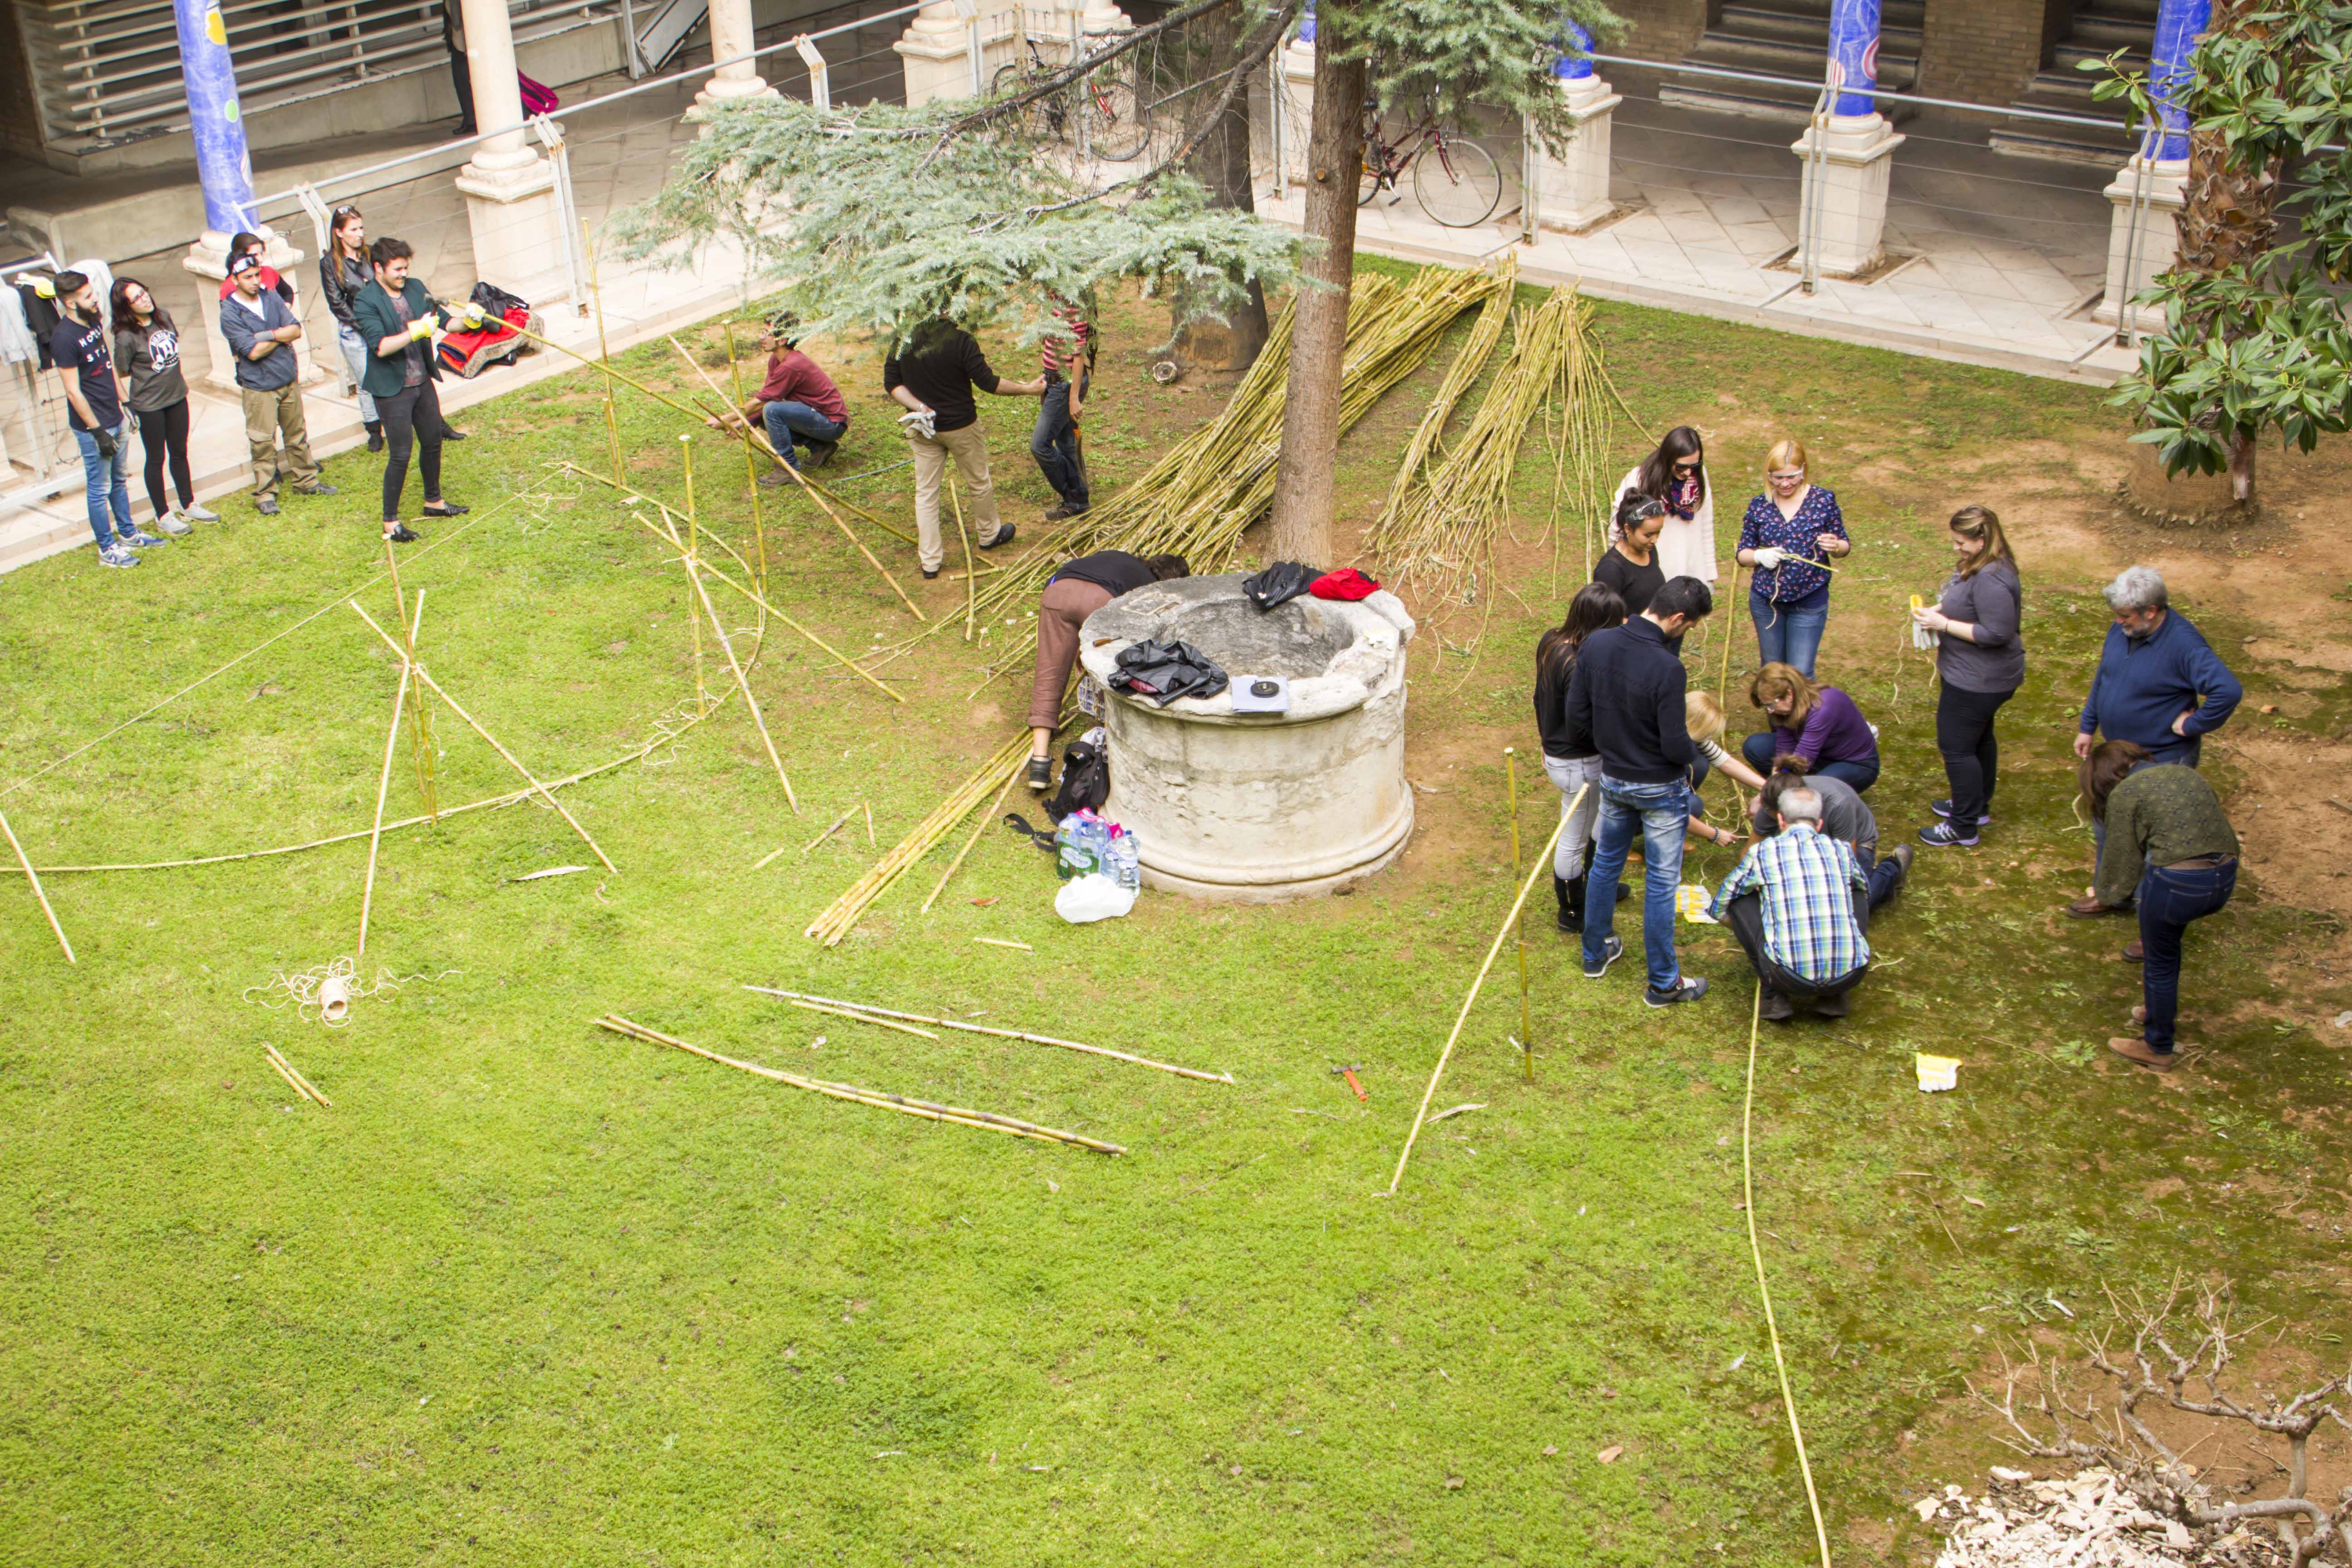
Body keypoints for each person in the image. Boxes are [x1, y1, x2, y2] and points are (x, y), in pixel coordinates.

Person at [1563, 574, 1717, 1007]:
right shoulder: (1668, 668)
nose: (1686, 635)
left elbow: (1578, 712)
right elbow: (1673, 743)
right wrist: (1692, 753)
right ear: (1679, 618)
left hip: (1613, 778)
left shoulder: (1597, 644)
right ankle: (1664, 983)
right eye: (1689, 628)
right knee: (1662, 882)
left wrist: (1614, 743)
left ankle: (1595, 954)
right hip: (1660, 789)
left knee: (1606, 866)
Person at [2075, 740, 2239, 1071]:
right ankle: (2156, 1009)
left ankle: (2158, 1047)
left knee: (2160, 962)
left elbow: (2122, 863)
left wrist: (2107, 893)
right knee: (2168, 943)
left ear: (2105, 777)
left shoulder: (2126, 795)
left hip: (2178, 884)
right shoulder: (2187, 774)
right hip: (2224, 876)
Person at [883, 316, 1045, 579]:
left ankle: (930, 562)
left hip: (924, 427)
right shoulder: (960, 341)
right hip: (961, 427)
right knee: (978, 482)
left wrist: (919, 408)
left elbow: (893, 383)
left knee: (926, 493)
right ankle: (989, 535)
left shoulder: (904, 337)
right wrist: (1028, 390)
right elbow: (987, 382)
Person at [1710, 783, 1873, 1021]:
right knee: (1857, 889)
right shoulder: (1842, 850)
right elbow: (1863, 889)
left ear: (1781, 821)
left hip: (1786, 976)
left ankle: (1773, 994)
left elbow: (1719, 904)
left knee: (1739, 898)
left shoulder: (1763, 852)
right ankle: (1836, 995)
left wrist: (1743, 925)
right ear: (1819, 824)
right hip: (1852, 974)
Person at [1913, 504, 2025, 849]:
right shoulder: (1982, 566)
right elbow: (1968, 606)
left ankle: (1963, 827)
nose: (1956, 548)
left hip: (1977, 682)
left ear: (1982, 539)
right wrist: (1939, 611)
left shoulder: (1991, 578)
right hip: (1975, 677)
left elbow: (1996, 633)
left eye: (1961, 542)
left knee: (1957, 748)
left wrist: (1943, 625)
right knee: (1980, 740)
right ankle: (1975, 807)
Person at [1026, 550, 1189, 787]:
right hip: (1099, 600)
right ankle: (1108, 745)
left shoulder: (1120, 560)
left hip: (1057, 589)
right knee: (1114, 669)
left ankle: (1039, 764)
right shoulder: (1152, 590)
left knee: (1048, 674)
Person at [351, 237, 476, 543]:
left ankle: (433, 501)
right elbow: (380, 347)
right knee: (401, 454)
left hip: (422, 381)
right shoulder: (366, 301)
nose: (404, 274)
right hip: (392, 389)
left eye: (406, 267)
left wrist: (472, 321)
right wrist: (415, 331)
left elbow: (448, 323)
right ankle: (390, 522)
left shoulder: (416, 287)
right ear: (379, 268)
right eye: (397, 269)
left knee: (433, 441)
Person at [2075, 566, 2241, 770]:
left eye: (2125, 616)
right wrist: (2087, 727)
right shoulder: (2123, 629)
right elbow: (2105, 675)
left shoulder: (2186, 647)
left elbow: (2228, 691)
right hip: (2120, 753)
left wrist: (2192, 725)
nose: (2118, 621)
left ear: (2151, 611)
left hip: (2160, 762)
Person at [49, 270, 161, 568]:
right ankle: (106, 548)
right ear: (71, 303)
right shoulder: (63, 339)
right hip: (94, 426)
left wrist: (125, 400)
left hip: (115, 413)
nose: (95, 299)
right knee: (99, 489)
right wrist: (98, 432)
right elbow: (73, 392)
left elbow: (107, 365)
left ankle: (127, 534)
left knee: (119, 481)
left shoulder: (93, 321)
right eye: (88, 297)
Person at [1535, 583, 1630, 933]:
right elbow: (1583, 725)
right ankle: (1573, 910)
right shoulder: (1580, 664)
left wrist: (1545, 738)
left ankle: (1594, 886)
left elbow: (1538, 698)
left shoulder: (1551, 641)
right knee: (1574, 837)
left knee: (1594, 823)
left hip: (1560, 752)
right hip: (1579, 762)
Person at [220, 251, 333, 517]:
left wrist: (266, 335)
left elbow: (295, 329)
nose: (255, 281)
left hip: (287, 379)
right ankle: (266, 493)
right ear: (234, 279)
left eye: (257, 275)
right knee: (262, 442)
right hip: (259, 387)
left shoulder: (270, 296)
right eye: (248, 277)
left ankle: (306, 481)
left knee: (297, 435)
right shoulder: (229, 313)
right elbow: (253, 352)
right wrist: (280, 338)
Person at [109, 277, 214, 538]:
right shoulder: (126, 337)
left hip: (177, 396)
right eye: (135, 298)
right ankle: (162, 514)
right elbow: (120, 371)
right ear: (126, 308)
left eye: (143, 292)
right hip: (149, 405)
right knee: (156, 459)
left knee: (180, 452)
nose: (144, 298)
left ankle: (188, 503)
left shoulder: (163, 316)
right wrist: (127, 403)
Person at [1735, 437, 1850, 676]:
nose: (1785, 484)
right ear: (1768, 475)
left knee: (1801, 674)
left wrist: (1835, 546)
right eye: (1778, 478)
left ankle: (1802, 716)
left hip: (1808, 601)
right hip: (1767, 602)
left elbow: (1844, 546)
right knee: (1773, 673)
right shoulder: (1759, 505)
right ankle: (1776, 714)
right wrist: (1760, 556)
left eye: (1792, 476)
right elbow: (1743, 555)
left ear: (1804, 471)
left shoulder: (1823, 501)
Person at [1750, 757, 1909, 911]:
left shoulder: (1839, 804)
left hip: (1855, 842)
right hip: (1810, 840)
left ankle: (1892, 867)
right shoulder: (1771, 802)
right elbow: (1750, 852)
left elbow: (1847, 867)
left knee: (1854, 906)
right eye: (1773, 817)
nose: (1778, 822)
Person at [706, 314, 848, 481]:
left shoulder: (791, 366)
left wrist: (725, 418)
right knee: (770, 415)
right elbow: (769, 398)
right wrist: (744, 424)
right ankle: (820, 447)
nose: (762, 337)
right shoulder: (777, 360)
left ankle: (787, 469)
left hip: (831, 425)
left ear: (782, 341)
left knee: (773, 411)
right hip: (814, 417)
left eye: (767, 333)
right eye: (762, 332)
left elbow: (764, 403)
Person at [1741, 663, 1879, 793]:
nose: (1769, 711)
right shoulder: (1786, 708)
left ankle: (1810, 792)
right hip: (1819, 755)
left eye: (1771, 705)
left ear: (1789, 694)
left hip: (1854, 764)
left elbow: (1802, 760)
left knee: (1814, 792)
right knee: (1755, 746)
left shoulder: (1823, 707)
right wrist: (1778, 772)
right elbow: (1785, 747)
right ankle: (1795, 789)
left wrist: (1776, 785)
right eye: (1766, 706)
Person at [1610, 424, 1715, 583]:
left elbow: (1706, 525)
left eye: (1694, 466)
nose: (1688, 472)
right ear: (1668, 459)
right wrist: (1618, 571)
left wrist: (1709, 574)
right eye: (1681, 466)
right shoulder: (1639, 479)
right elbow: (1617, 527)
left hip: (1690, 570)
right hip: (1651, 573)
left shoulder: (1700, 477)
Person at [318, 206, 384, 452]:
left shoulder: (369, 254)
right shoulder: (330, 264)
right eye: (353, 229)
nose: (360, 234)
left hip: (379, 322)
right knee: (366, 379)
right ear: (339, 233)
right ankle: (374, 429)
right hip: (355, 330)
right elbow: (336, 302)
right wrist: (362, 324)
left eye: (361, 228)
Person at [1031, 294, 1093, 520]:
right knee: (1067, 443)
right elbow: (1053, 345)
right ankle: (1079, 499)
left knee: (1040, 445)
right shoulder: (1052, 299)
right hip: (1053, 381)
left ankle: (1074, 494)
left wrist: (1073, 397)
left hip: (1065, 386)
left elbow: (1078, 356)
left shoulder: (1073, 304)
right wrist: (1046, 373)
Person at [1594, 492, 1668, 617]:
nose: (1655, 540)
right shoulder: (1610, 570)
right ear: (1628, 529)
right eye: (1648, 535)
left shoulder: (1649, 550)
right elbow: (1606, 620)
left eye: (1658, 533)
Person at [215, 231, 296, 307]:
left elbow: (288, 293)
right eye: (254, 255)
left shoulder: (269, 272)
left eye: (261, 254)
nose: (260, 259)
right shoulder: (229, 286)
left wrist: (285, 311)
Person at [444, 0, 475, 135]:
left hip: (465, 40)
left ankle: (472, 120)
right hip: (462, 39)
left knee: (461, 78)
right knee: (461, 79)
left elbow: (458, 19)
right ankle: (471, 119)